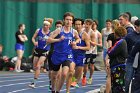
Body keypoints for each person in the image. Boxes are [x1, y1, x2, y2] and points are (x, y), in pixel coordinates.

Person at [48, 12, 80, 93]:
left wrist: (75, 42)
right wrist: (58, 39)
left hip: (67, 55)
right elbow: (48, 40)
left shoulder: (74, 31)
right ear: (64, 20)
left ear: (72, 21)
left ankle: (58, 91)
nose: (69, 21)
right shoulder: (59, 30)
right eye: (67, 19)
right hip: (57, 55)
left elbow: (78, 38)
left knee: (65, 74)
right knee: (54, 75)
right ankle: (53, 89)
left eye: (70, 20)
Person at [29, 19, 58, 88]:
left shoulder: (50, 33)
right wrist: (34, 42)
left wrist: (49, 41)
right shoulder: (38, 30)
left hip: (45, 51)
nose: (45, 26)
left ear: (49, 26)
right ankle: (38, 75)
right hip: (37, 50)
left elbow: (52, 40)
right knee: (34, 67)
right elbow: (33, 38)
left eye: (47, 25)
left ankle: (34, 83)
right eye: (44, 25)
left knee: (38, 65)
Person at [70, 18, 90, 88]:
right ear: (73, 25)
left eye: (79, 24)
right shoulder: (71, 33)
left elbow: (88, 47)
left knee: (79, 70)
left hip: (80, 55)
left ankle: (75, 81)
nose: (77, 26)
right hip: (71, 54)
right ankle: (73, 81)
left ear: (82, 25)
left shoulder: (85, 35)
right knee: (71, 69)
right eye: (76, 24)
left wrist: (78, 47)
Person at [107, 26, 127, 93]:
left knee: (118, 86)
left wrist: (109, 48)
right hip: (119, 66)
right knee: (117, 85)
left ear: (116, 33)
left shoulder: (120, 42)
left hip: (118, 67)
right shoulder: (121, 41)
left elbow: (111, 52)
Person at [124, 19, 140, 93]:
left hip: (139, 63)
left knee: (137, 81)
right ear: (136, 26)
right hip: (130, 60)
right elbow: (123, 45)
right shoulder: (129, 36)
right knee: (127, 80)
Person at [47, 20, 63, 91]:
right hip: (52, 53)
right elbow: (48, 42)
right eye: (57, 26)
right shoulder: (52, 33)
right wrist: (58, 40)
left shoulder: (64, 34)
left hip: (61, 54)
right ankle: (51, 82)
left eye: (60, 26)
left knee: (59, 73)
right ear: (55, 27)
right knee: (51, 72)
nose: (58, 28)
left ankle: (56, 89)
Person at [105, 19, 120, 93]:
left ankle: (108, 91)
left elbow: (109, 47)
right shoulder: (121, 36)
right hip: (120, 58)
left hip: (112, 57)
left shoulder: (111, 36)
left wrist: (107, 58)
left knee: (109, 76)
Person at [82, 19, 95, 86]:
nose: (86, 25)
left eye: (88, 24)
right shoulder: (82, 30)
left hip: (89, 51)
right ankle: (80, 76)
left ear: (91, 25)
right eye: (85, 24)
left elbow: (94, 44)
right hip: (81, 50)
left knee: (87, 65)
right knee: (78, 65)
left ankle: (88, 77)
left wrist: (88, 40)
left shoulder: (92, 33)